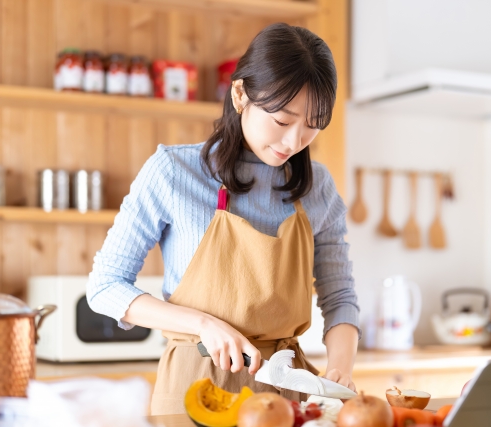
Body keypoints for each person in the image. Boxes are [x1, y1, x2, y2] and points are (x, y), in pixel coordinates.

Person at [87, 22, 360, 416]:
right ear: (239, 93)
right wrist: (204, 324)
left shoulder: (318, 189)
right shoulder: (173, 171)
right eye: (282, 121)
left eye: (312, 126)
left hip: (289, 396)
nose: (293, 142)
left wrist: (339, 370)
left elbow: (341, 298)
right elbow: (105, 286)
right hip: (195, 389)